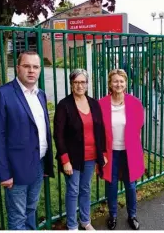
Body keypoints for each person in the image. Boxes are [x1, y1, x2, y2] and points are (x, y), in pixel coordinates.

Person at [0, 50, 54, 230]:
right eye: (26, 66)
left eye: (35, 67)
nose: (31, 71)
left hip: (38, 164)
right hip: (16, 169)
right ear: (17, 68)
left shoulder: (40, 94)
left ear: (40, 70)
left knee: (31, 209)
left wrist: (46, 164)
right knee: (17, 217)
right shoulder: (2, 94)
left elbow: (43, 131)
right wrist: (4, 173)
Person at [54, 69, 108, 230]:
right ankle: (72, 225)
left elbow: (101, 130)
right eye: (76, 82)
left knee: (85, 189)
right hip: (72, 157)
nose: (79, 85)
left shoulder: (94, 103)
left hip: (91, 156)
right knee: (73, 190)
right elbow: (58, 135)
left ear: (87, 84)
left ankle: (85, 221)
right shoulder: (64, 105)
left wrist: (102, 153)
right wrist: (65, 160)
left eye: (83, 82)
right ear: (71, 84)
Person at [98, 69, 145, 230]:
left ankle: (132, 215)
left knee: (130, 185)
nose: (118, 84)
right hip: (110, 152)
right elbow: (98, 131)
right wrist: (101, 153)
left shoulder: (135, 102)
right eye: (115, 81)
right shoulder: (102, 103)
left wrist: (138, 151)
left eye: (121, 81)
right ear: (110, 84)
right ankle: (113, 215)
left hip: (129, 152)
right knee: (111, 185)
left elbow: (139, 126)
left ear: (126, 83)